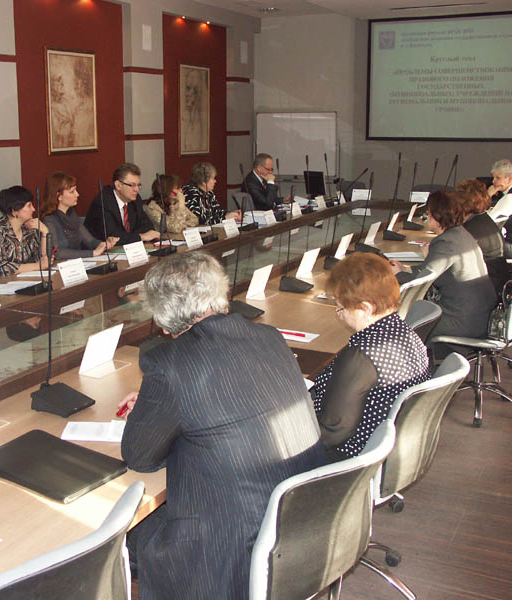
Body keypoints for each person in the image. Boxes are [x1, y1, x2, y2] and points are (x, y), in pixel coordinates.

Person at [118, 251, 326, 600]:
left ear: (163, 317)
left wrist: (161, 411)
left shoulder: (168, 363)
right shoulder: (268, 336)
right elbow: (234, 397)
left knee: (121, 538)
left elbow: (140, 457)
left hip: (230, 545)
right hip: (302, 515)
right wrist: (168, 405)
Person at [311, 253, 429, 461]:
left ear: (365, 308)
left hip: (352, 458)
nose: (339, 314)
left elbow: (333, 431)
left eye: (340, 307)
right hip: (389, 447)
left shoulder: (363, 357)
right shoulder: (404, 332)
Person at [391, 191, 497, 349]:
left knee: (397, 324)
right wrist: (405, 269)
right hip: (480, 314)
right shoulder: (461, 234)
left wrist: (397, 274)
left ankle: (406, 363)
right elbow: (431, 271)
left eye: (429, 213)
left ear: (438, 215)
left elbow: (422, 281)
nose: (427, 216)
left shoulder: (446, 242)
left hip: (463, 320)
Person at [41, 172, 118, 259]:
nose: (77, 194)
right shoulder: (49, 220)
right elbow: (57, 252)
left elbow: (90, 241)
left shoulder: (71, 214)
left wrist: (104, 244)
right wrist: (93, 253)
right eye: (72, 192)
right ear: (59, 196)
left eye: (76, 190)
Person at [84, 163, 160, 245]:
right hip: (99, 250)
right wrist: (141, 237)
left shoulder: (135, 199)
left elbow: (148, 227)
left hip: (127, 249)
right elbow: (112, 236)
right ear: (118, 185)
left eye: (138, 185)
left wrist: (131, 237)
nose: (137, 189)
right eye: (132, 185)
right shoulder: (103, 202)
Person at [0, 186, 48, 277]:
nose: (33, 209)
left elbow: (42, 260)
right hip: (0, 282)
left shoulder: (29, 228)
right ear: (15, 210)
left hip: (25, 279)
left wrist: (45, 233)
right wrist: (36, 266)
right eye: (29, 205)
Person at [455, 178, 509, 293]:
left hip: (481, 289)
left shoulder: (469, 230)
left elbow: (453, 262)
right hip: (497, 282)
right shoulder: (485, 220)